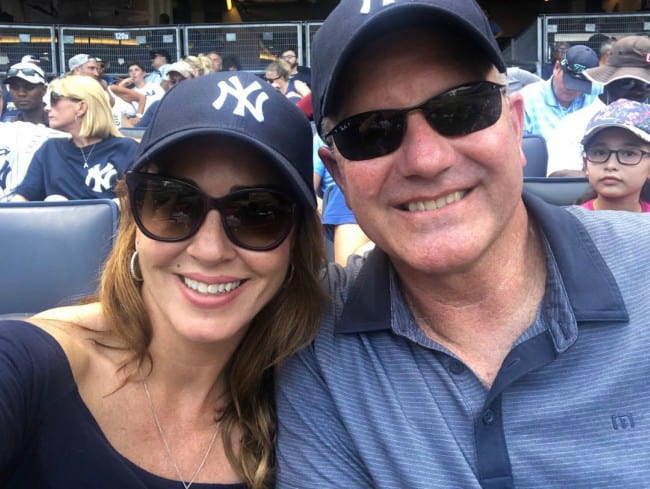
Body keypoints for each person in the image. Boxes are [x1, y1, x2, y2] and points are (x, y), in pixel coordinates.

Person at [275, 0, 650, 487]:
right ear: (339, 174)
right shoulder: (314, 338)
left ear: (515, 123)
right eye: (371, 131)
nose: (426, 159)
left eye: (461, 108)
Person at [0, 71, 326, 488]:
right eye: (173, 203)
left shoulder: (312, 399)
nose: (210, 250)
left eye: (258, 213)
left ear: (297, 240)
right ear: (132, 216)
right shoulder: (31, 363)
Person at [11, 75, 138, 201]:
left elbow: (143, 205)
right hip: (59, 221)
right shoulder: (50, 149)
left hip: (112, 221)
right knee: (55, 200)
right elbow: (21, 200)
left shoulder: (126, 149)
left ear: (81, 107)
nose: (47, 107)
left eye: (54, 99)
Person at [546, 35, 650, 175]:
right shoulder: (573, 126)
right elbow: (561, 179)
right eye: (628, 83)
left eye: (646, 85)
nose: (638, 91)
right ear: (608, 80)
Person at [578, 99, 650, 212]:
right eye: (600, 152)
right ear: (586, 164)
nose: (611, 165)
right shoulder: (565, 224)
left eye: (629, 153)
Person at [521, 44, 601, 141]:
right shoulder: (528, 100)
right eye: (569, 81)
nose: (572, 89)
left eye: (580, 85)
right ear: (557, 68)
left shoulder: (595, 93)